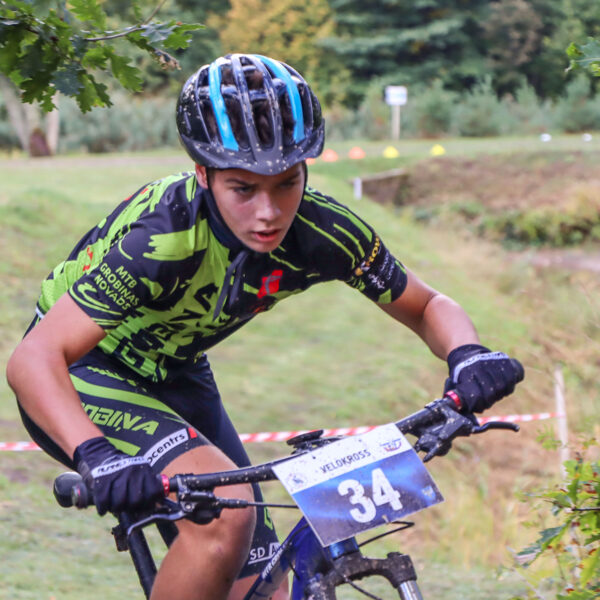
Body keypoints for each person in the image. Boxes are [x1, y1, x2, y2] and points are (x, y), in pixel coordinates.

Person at [6, 53, 523, 600]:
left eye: (286, 183)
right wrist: (97, 455)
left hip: (178, 370)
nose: (269, 212)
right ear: (202, 174)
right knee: (225, 521)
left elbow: (426, 304)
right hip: (85, 369)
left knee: (267, 586)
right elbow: (34, 358)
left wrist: (467, 354)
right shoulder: (164, 238)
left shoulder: (322, 231)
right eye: (243, 188)